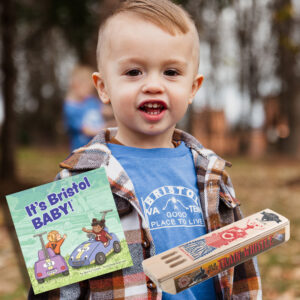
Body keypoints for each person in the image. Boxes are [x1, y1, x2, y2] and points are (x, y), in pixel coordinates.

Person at [29, 0, 261, 299]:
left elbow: (240, 269)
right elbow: (58, 288)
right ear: (103, 87)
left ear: (193, 88)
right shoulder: (80, 180)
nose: (153, 85)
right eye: (134, 71)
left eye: (172, 72)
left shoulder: (213, 175)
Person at [63, 65, 106, 150]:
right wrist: (105, 131)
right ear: (76, 85)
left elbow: (103, 110)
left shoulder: (90, 100)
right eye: (87, 88)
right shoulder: (70, 108)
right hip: (82, 151)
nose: (90, 91)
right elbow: (86, 131)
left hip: (98, 147)